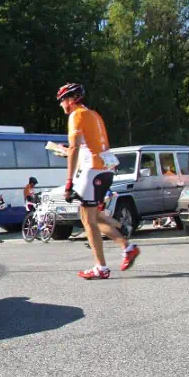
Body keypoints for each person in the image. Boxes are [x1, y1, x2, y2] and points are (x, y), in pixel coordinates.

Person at [57, 82, 140, 279]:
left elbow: (76, 149)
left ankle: (101, 267)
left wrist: (69, 181)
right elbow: (93, 146)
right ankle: (126, 245)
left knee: (88, 219)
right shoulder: (94, 114)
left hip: (92, 170)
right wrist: (66, 151)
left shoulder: (76, 115)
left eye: (62, 100)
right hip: (105, 168)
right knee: (93, 216)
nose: (61, 105)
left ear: (71, 100)